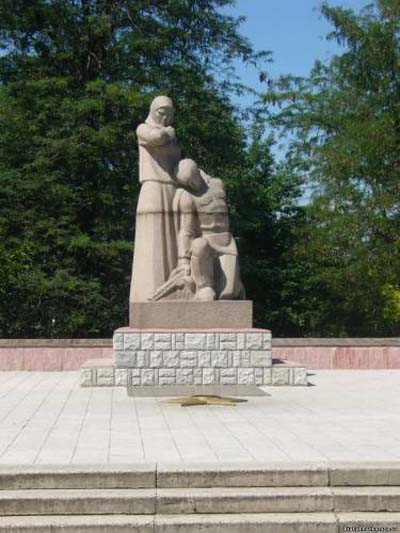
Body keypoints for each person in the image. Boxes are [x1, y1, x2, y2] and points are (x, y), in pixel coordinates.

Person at [161, 158, 245, 301]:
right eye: (187, 183)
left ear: (197, 172)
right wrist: (183, 261)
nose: (191, 185)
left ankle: (234, 282)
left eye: (191, 179)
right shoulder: (187, 196)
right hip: (207, 243)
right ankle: (204, 287)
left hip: (226, 243)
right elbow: (186, 231)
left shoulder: (217, 184)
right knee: (199, 245)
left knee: (228, 293)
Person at [129, 96, 181, 302]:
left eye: (169, 114)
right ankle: (150, 293)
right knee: (153, 242)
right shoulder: (143, 128)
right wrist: (168, 133)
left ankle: (171, 291)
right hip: (152, 189)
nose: (165, 118)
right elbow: (155, 138)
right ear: (152, 110)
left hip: (172, 189)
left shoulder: (171, 135)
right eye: (161, 112)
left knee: (172, 241)